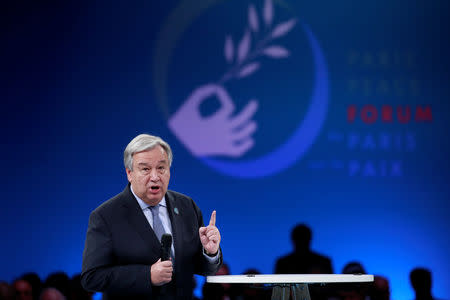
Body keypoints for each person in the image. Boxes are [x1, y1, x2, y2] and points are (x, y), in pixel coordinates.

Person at [81, 134, 222, 300]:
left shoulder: (186, 206)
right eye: (145, 169)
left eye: (161, 168)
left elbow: (202, 268)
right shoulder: (105, 216)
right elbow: (92, 277)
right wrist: (146, 275)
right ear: (129, 173)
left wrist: (210, 253)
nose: (155, 177)